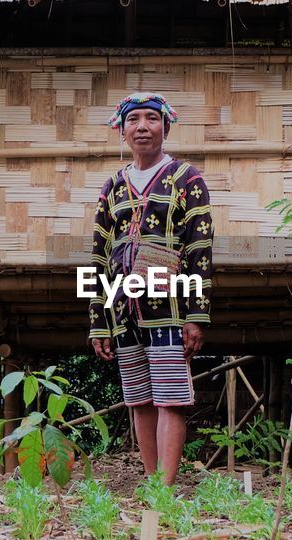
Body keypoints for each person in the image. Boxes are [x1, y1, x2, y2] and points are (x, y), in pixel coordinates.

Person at [88, 93, 213, 485]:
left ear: (166, 127)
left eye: (152, 119)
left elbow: (199, 247)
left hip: (170, 308)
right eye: (134, 120)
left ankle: (165, 488)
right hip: (124, 311)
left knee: (171, 398)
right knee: (139, 399)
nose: (143, 126)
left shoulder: (187, 178)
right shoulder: (113, 186)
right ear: (122, 130)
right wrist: (99, 320)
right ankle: (150, 481)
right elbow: (98, 254)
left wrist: (196, 315)